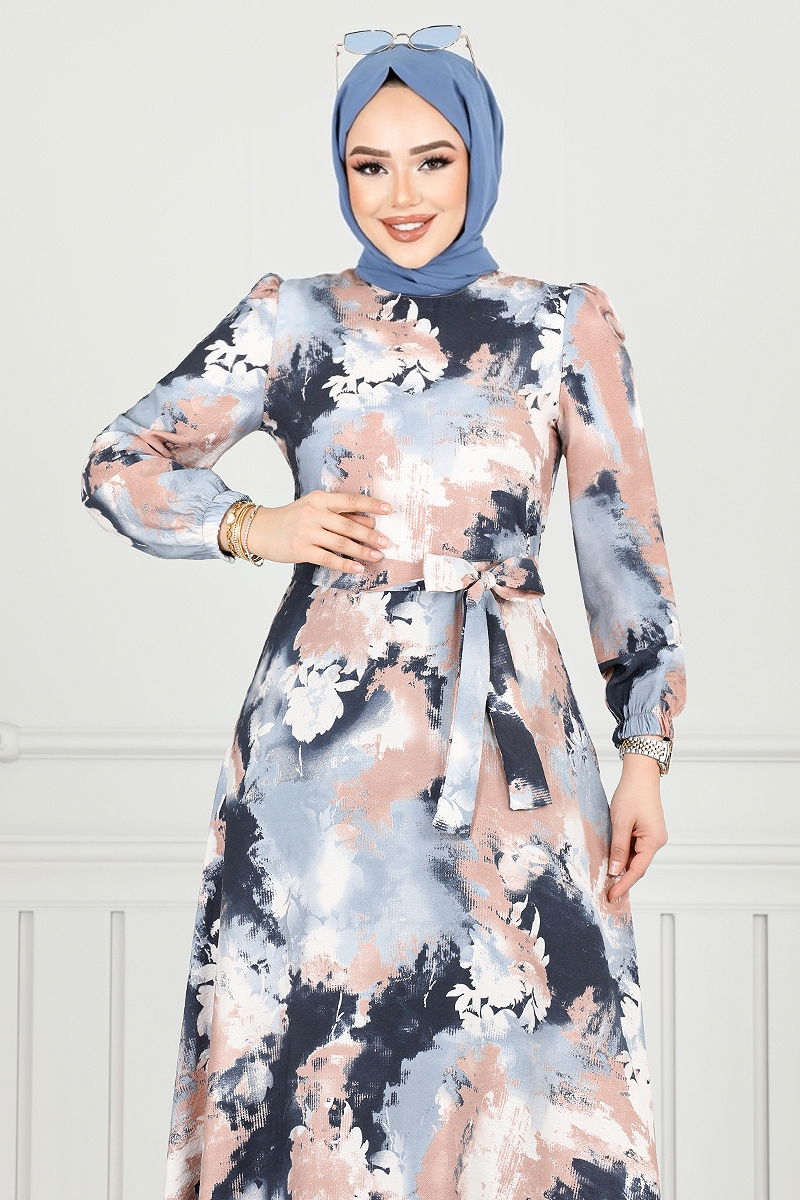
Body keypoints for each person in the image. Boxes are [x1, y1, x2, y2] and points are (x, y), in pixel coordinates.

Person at [80, 33, 686, 1200]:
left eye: (430, 160)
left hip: (512, 748)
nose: (399, 195)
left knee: (533, 1067)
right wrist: (252, 524)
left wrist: (644, 755)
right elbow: (121, 459)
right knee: (326, 1066)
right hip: (323, 763)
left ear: (479, 160)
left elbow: (623, 543)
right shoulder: (292, 319)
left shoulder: (560, 323)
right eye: (369, 165)